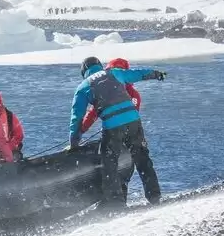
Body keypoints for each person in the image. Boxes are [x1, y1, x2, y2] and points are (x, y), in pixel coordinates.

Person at [70, 56, 167, 206]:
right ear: (99, 66)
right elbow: (138, 74)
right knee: (142, 159)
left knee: (110, 164)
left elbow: (77, 117)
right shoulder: (114, 73)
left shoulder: (83, 87)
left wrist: (74, 141)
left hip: (112, 126)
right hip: (134, 121)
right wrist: (157, 74)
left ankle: (116, 204)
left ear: (84, 71)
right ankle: (155, 197)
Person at [80, 57, 140, 186]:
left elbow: (92, 114)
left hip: (117, 136)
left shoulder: (106, 92)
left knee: (111, 166)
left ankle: (115, 201)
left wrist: (79, 132)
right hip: (132, 135)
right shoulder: (133, 94)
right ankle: (152, 197)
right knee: (133, 166)